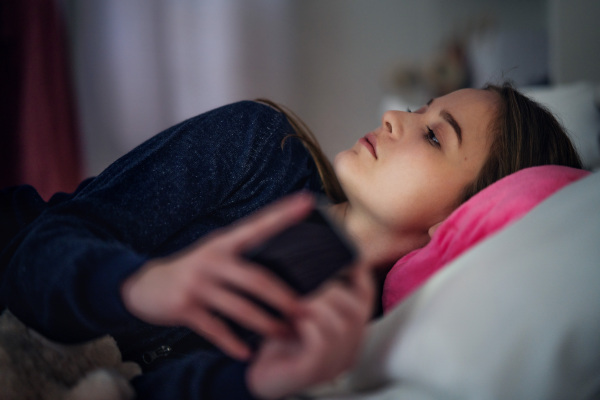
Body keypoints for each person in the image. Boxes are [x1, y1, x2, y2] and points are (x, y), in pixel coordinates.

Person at [0, 82, 582, 399]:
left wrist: (252, 383)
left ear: (460, 221)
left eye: (433, 136)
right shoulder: (261, 148)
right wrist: (137, 286)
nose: (393, 119)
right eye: (418, 107)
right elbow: (39, 250)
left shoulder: (346, 341)